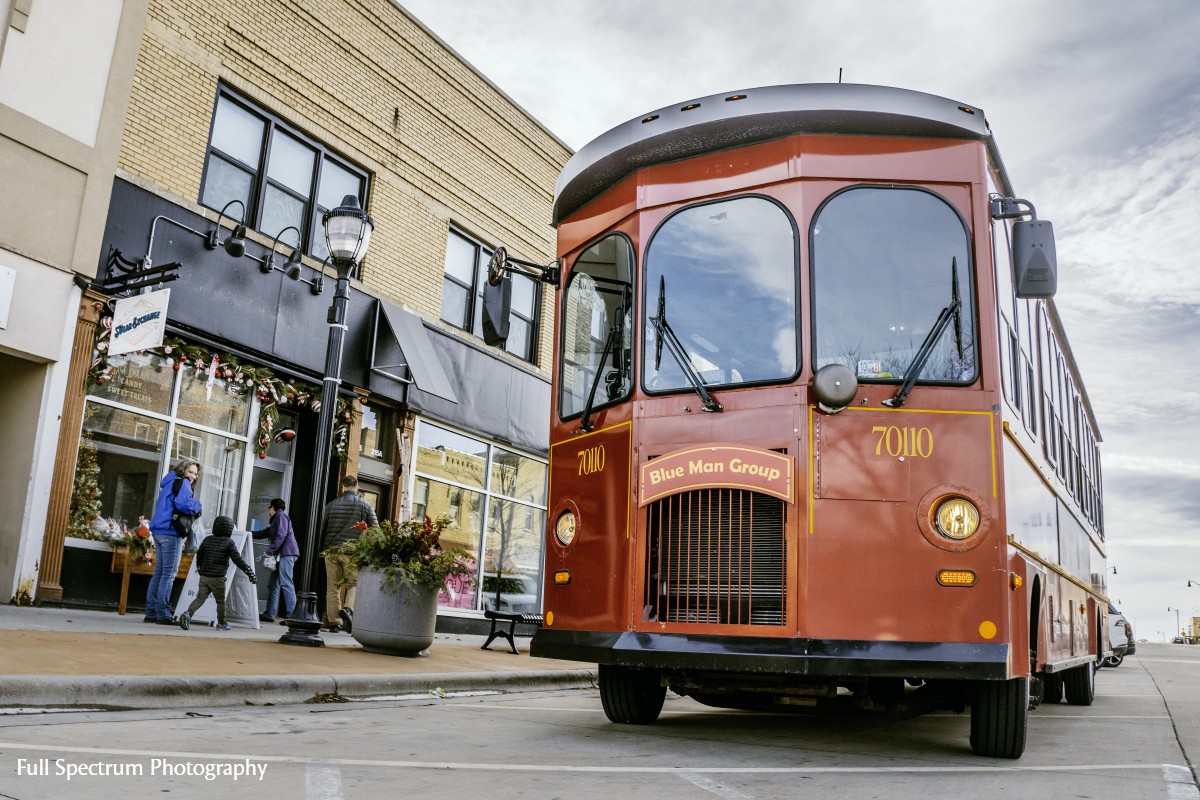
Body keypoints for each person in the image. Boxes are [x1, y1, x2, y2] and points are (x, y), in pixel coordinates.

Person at [144, 458, 202, 624]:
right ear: (183, 470)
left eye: (196, 474)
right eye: (190, 471)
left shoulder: (169, 482)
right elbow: (183, 504)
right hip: (170, 531)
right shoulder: (182, 482)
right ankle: (162, 614)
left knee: (160, 573)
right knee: (168, 574)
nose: (193, 476)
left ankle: (151, 612)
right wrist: (198, 505)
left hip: (158, 530)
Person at [320, 474, 378, 633]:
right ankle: (348, 609)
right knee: (354, 584)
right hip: (353, 552)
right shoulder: (365, 506)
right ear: (357, 487)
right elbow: (375, 530)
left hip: (331, 551)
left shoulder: (331, 505)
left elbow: (321, 528)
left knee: (332, 587)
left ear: (343, 487)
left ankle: (334, 623)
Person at [179, 515, 256, 631]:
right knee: (220, 602)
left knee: (200, 598)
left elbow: (199, 556)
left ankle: (188, 613)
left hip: (204, 576)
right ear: (229, 530)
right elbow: (237, 560)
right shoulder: (229, 543)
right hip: (218, 578)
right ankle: (221, 623)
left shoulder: (207, 539)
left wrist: (200, 569)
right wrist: (249, 571)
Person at [254, 498, 299, 623]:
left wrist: (270, 551)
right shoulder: (276, 520)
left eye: (269, 507)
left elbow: (281, 535)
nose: (268, 510)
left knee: (286, 582)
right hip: (281, 555)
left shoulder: (281, 516)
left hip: (287, 554)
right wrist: (247, 533)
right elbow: (265, 533)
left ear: (272, 507)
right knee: (273, 584)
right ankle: (269, 614)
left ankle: (292, 616)